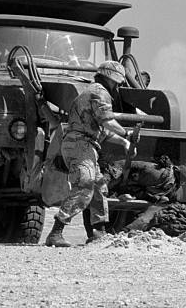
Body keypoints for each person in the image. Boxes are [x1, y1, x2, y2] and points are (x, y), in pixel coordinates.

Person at [45, 60, 134, 247]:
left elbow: (102, 130)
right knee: (84, 186)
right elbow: (107, 121)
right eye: (117, 82)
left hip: (85, 144)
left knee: (99, 187)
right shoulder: (100, 93)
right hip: (80, 145)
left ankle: (98, 232)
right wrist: (126, 133)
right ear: (111, 78)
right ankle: (56, 232)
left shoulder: (93, 92)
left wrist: (124, 141)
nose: (118, 86)